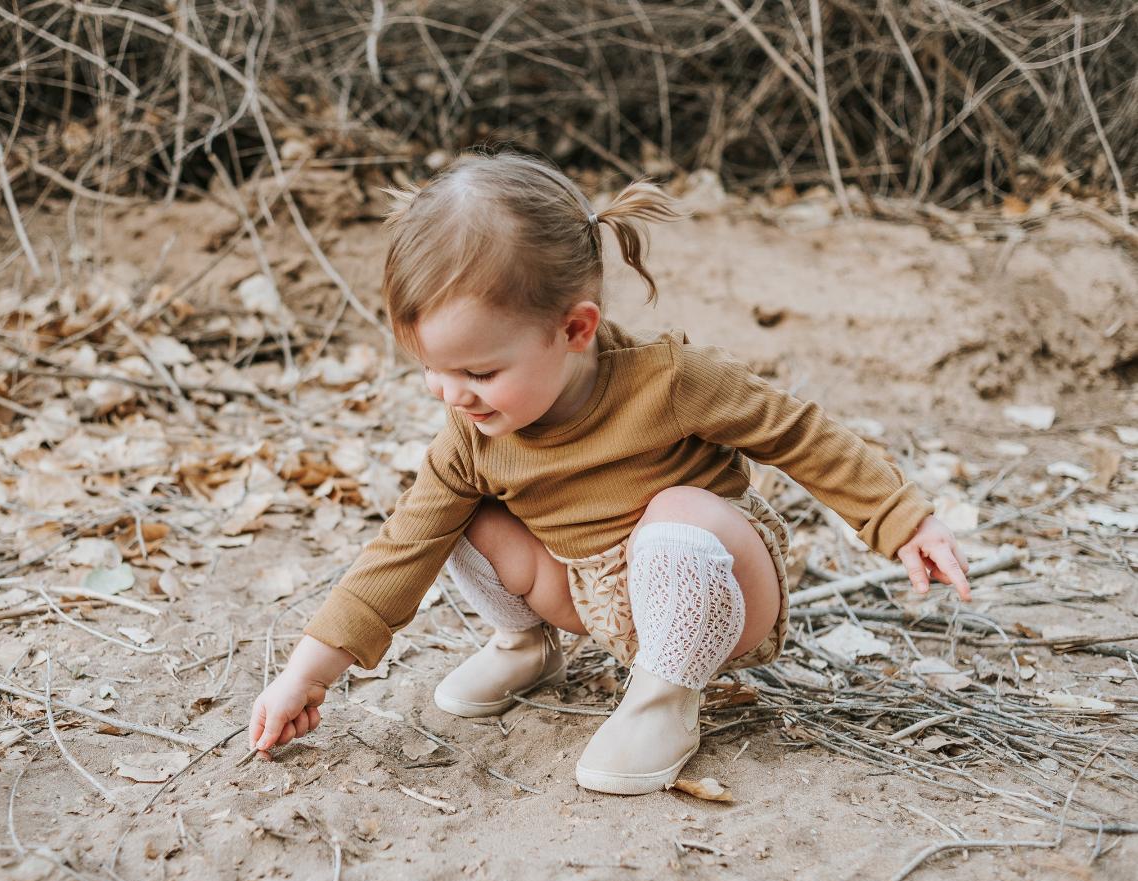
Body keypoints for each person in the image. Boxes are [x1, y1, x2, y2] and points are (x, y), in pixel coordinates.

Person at [247, 150, 971, 795]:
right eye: (432, 371)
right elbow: (399, 550)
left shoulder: (670, 380)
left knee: (679, 514)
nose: (452, 394)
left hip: (719, 595)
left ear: (574, 330)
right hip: (590, 597)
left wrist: (902, 517)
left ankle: (665, 701)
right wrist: (303, 674)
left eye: (478, 370)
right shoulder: (471, 436)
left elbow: (798, 431)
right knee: (448, 515)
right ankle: (524, 647)